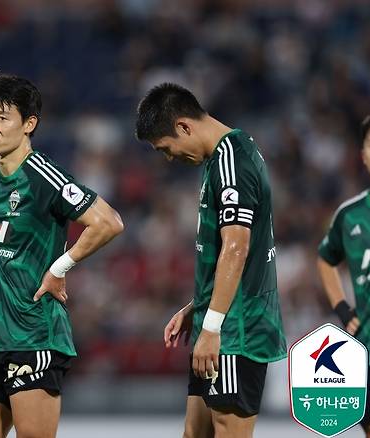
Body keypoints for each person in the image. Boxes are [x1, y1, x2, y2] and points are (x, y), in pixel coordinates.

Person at [0, 72, 124, 438]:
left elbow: (109, 222)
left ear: (29, 124)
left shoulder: (42, 174)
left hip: (34, 337)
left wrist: (60, 266)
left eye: (3, 117)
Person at [135, 83, 286, 438]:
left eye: (166, 148)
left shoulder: (232, 159)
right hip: (221, 321)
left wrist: (213, 327)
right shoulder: (220, 159)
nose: (169, 158)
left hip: (237, 329)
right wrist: (198, 306)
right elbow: (227, 253)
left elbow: (237, 246)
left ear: (184, 127)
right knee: (194, 433)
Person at [317, 114, 370, 437]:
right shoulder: (349, 215)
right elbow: (326, 259)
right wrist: (342, 308)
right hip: (367, 349)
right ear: (363, 156)